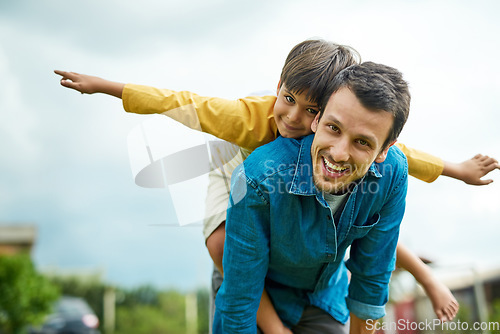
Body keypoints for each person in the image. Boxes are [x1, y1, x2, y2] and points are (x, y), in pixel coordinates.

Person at [54, 39, 498, 329]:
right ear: (278, 87)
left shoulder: (346, 147)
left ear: (326, 110)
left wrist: (458, 169)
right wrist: (106, 86)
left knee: (360, 219)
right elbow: (183, 103)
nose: (293, 118)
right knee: (220, 246)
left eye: (311, 111)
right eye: (288, 100)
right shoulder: (248, 120)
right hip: (237, 173)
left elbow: (403, 157)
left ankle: (425, 276)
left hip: (305, 201)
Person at [215, 61, 412, 333]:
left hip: (323, 297)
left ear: (384, 150)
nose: (339, 153)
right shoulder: (257, 178)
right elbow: (240, 304)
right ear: (317, 119)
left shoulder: (394, 175)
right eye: (333, 128)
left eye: (362, 142)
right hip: (256, 291)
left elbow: (371, 278)